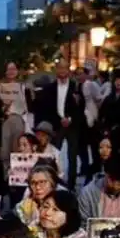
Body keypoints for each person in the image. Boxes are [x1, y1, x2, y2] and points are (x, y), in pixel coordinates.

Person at [35, 59, 85, 189]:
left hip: (72, 125)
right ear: (56, 70)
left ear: (68, 70)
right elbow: (47, 108)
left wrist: (71, 119)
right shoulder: (50, 88)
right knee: (51, 154)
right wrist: (57, 121)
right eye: (60, 68)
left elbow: (81, 108)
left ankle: (71, 185)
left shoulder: (76, 87)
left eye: (64, 68)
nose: (62, 71)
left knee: (72, 156)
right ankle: (51, 180)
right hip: (56, 125)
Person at [78, 156, 120, 223]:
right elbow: (83, 224)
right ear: (105, 173)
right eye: (112, 180)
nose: (115, 186)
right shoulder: (88, 193)